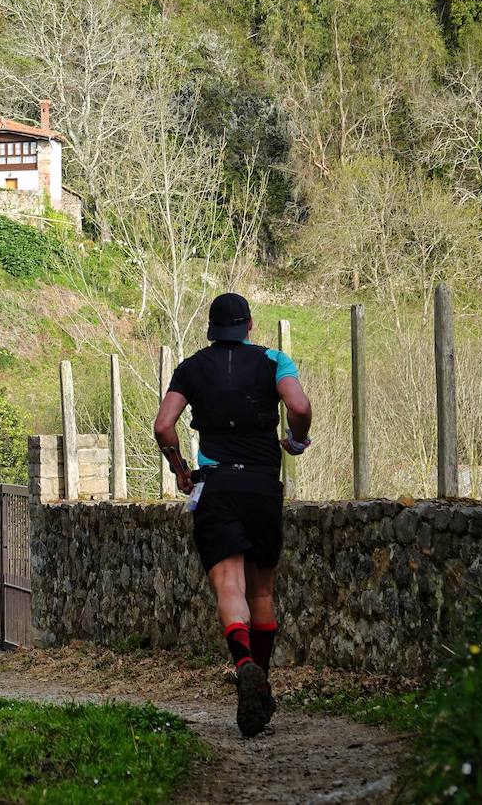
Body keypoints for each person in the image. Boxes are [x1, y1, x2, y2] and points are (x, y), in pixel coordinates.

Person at [153, 292, 312, 737]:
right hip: (262, 484)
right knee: (262, 590)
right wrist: (296, 440)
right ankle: (259, 678)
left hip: (216, 485)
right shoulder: (274, 359)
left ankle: (243, 665)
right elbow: (298, 408)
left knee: (229, 584)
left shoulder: (191, 367)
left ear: (211, 328)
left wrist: (180, 468)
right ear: (250, 324)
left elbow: (164, 425)